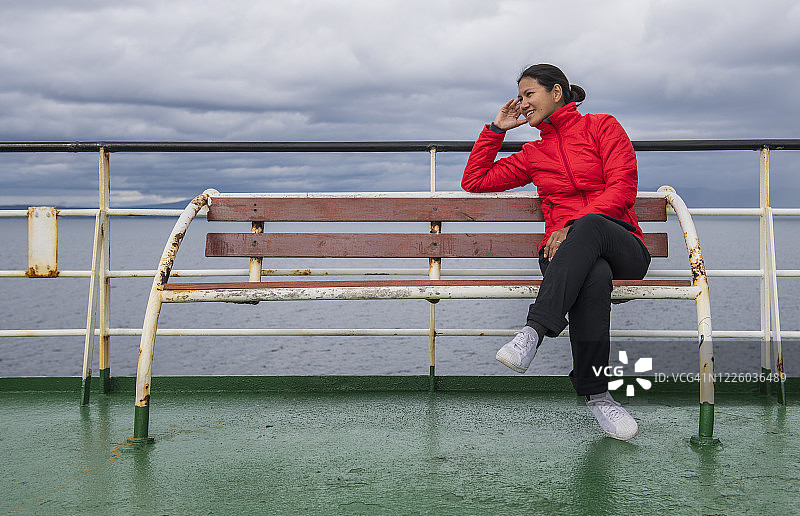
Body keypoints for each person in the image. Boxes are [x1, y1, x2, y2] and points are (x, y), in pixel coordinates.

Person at [461, 64, 651, 440]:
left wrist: (571, 226)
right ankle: (598, 396)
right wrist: (497, 129)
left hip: (622, 243)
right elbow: (475, 181)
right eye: (519, 96)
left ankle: (533, 332)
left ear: (557, 92)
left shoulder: (602, 127)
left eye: (529, 94)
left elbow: (622, 189)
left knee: (591, 226)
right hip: (567, 257)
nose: (522, 103)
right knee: (593, 278)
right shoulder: (534, 154)